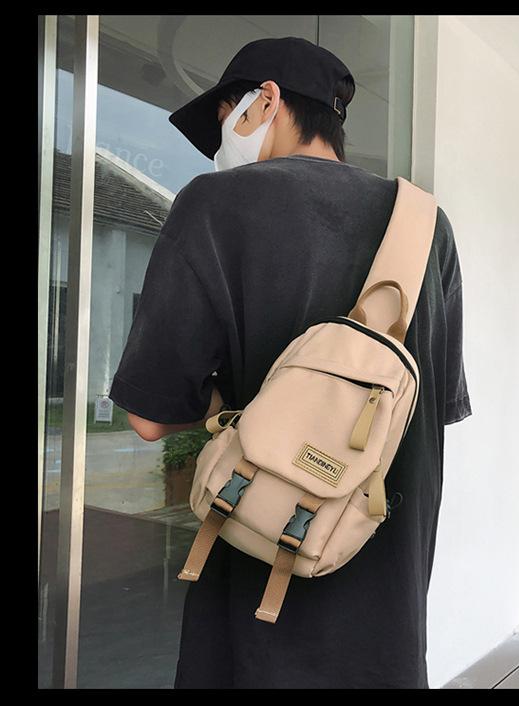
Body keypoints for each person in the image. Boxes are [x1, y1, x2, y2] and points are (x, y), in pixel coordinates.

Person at [108, 36, 472, 689]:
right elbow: (434, 411)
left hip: (254, 605)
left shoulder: (215, 205)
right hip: (387, 619)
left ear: (266, 101)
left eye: (225, 118)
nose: (220, 145)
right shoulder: (428, 226)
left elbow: (149, 418)